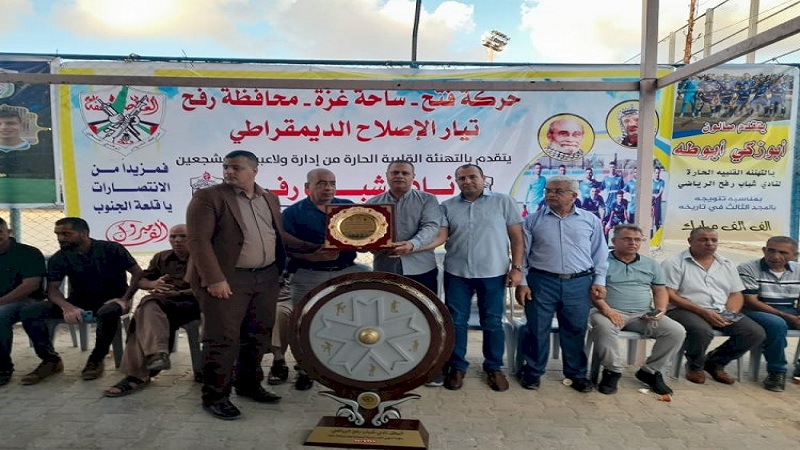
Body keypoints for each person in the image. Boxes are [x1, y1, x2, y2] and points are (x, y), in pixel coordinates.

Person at [186, 150, 317, 420]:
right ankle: (215, 396)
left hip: (266, 278)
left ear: (254, 171)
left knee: (257, 335)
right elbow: (198, 241)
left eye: (236, 167)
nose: (229, 172)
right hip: (228, 278)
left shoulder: (270, 197)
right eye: (226, 167)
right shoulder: (208, 197)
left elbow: (277, 235)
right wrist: (214, 279)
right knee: (222, 339)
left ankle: (248, 384)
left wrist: (315, 247)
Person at [20, 217, 143, 384]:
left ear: (83, 234)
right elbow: (53, 290)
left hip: (113, 301)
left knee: (108, 312)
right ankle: (50, 360)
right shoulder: (60, 256)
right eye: (58, 234)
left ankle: (96, 359)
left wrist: (125, 299)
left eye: (66, 234)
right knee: (30, 311)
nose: (60, 238)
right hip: (78, 302)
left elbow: (137, 273)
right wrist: (67, 307)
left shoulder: (112, 249)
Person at [515, 176, 607, 392]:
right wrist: (523, 282)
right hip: (541, 282)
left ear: (574, 196)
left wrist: (599, 280)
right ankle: (533, 372)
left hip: (579, 283)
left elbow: (600, 253)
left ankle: (576, 374)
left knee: (575, 329)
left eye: (558, 191)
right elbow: (523, 255)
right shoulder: (532, 221)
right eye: (548, 190)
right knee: (537, 328)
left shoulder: (590, 220)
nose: (550, 194)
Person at [437, 164, 524, 392]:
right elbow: (440, 237)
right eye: (461, 178)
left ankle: (493, 367)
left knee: (493, 322)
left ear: (483, 178)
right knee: (456, 321)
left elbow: (517, 237)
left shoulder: (503, 202)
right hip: (457, 273)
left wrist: (517, 268)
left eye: (472, 177)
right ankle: (457, 366)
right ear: (456, 181)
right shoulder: (447, 206)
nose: (467, 181)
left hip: (493, 273)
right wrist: (413, 246)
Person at [282, 168, 369, 391]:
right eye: (321, 183)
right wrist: (310, 256)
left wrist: (366, 243)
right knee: (305, 323)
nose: (328, 188)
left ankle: (344, 366)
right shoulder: (292, 213)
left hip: (344, 271)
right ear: (307, 187)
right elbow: (283, 248)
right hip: (308, 274)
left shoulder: (348, 208)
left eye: (332, 183)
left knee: (352, 320)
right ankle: (305, 369)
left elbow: (365, 235)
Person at [103, 224, 201, 397]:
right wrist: (153, 284)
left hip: (194, 303)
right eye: (173, 236)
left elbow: (210, 287)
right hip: (165, 303)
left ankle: (139, 373)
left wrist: (179, 293)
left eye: (183, 237)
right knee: (147, 306)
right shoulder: (161, 257)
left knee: (145, 310)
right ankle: (156, 356)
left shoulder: (204, 257)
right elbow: (141, 281)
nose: (177, 241)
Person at [661, 227, 765, 385]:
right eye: (703, 239)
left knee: (754, 332)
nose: (709, 243)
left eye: (713, 240)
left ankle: (715, 362)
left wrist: (730, 313)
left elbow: (735, 294)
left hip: (720, 310)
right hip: (683, 309)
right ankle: (695, 366)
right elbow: (670, 294)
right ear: (690, 241)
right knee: (702, 331)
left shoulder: (726, 264)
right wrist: (703, 312)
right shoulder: (674, 263)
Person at [589, 225, 685, 395]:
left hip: (642, 314)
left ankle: (650, 371)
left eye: (637, 240)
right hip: (607, 311)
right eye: (627, 239)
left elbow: (660, 290)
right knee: (603, 327)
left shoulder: (651, 264)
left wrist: (660, 310)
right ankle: (612, 371)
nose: (633, 243)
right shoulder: (601, 262)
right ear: (614, 241)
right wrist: (608, 311)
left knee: (676, 331)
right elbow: (592, 291)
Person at [737, 236, 800, 391]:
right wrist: (787, 316)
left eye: (783, 253)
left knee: (779, 322)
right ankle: (777, 372)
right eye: (771, 251)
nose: (775, 256)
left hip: (788, 309)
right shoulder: (748, 268)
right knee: (776, 324)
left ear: (795, 255)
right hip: (755, 310)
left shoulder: (798, 270)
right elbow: (751, 301)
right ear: (764, 250)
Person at [0, 217, 46, 386]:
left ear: (8, 232)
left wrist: (1, 302)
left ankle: (3, 368)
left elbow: (30, 285)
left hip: (26, 301)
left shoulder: (28, 253)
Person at [651, 167, 665, 231]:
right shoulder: (651, 182)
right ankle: (650, 232)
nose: (657, 174)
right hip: (651, 202)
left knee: (657, 219)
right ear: (654, 173)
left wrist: (655, 196)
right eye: (656, 173)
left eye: (658, 173)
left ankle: (657, 231)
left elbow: (660, 191)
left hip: (657, 202)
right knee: (651, 217)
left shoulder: (662, 182)